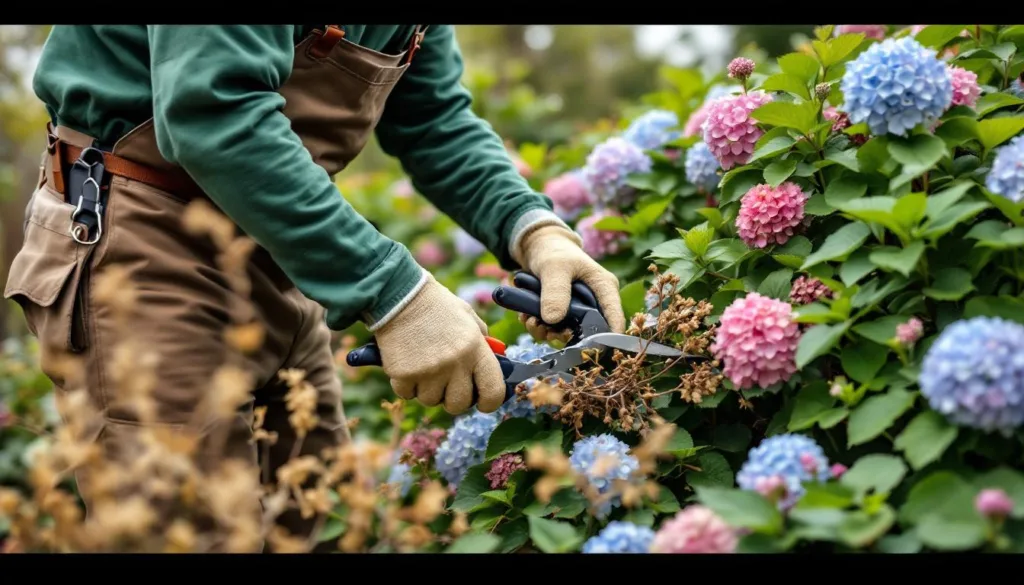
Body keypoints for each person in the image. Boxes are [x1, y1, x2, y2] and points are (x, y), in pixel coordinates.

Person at [3, 25, 625, 548]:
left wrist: (535, 230)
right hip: (140, 246)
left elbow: (432, 118)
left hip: (275, 242)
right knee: (183, 530)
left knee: (321, 523)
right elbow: (211, 109)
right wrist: (398, 295)